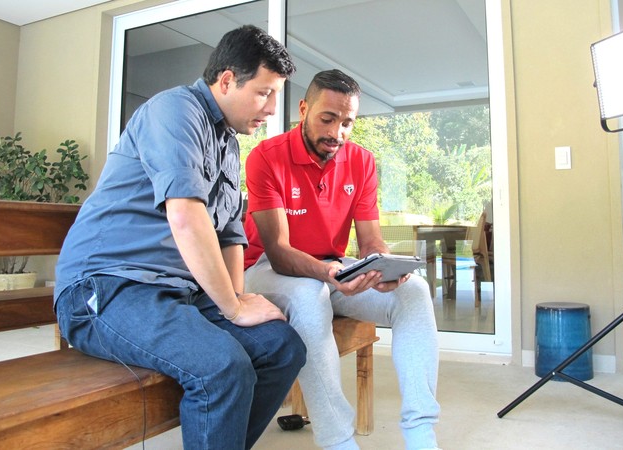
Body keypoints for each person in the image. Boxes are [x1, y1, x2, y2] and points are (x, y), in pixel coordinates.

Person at [54, 25, 306, 450]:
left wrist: (236, 303)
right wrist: (232, 307)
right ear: (227, 80)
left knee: (281, 348)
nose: (271, 108)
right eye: (264, 93)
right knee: (223, 367)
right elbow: (187, 218)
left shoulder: (227, 143)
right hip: (105, 288)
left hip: (175, 292)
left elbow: (229, 237)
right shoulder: (174, 111)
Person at [244, 69, 440, 450]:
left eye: (347, 122)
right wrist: (329, 273)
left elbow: (369, 241)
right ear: (304, 109)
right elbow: (280, 253)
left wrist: (380, 267)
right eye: (327, 118)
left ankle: (421, 433)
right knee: (307, 295)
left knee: (414, 292)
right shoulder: (265, 158)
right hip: (266, 269)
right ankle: (337, 441)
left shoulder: (361, 161)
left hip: (331, 265)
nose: (337, 132)